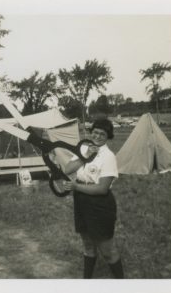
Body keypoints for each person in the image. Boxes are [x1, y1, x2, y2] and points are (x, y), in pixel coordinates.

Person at [63, 118, 124, 279]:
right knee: (88, 245)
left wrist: (76, 187)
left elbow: (102, 188)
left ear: (107, 137)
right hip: (81, 201)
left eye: (102, 134)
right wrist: (85, 156)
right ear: (91, 132)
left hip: (99, 204)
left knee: (107, 250)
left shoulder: (108, 156)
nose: (97, 136)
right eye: (95, 132)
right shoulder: (84, 148)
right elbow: (68, 169)